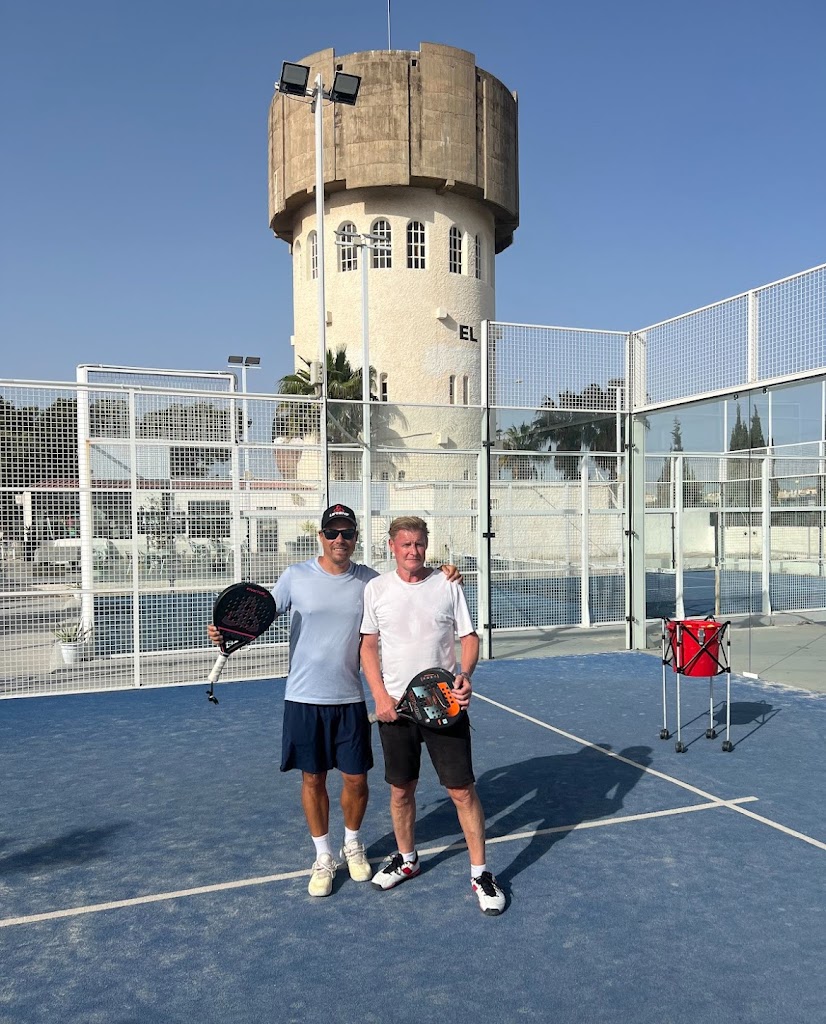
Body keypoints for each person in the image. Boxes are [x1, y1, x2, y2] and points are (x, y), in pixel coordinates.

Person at [207, 503, 461, 899]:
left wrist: (443, 572)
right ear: (321, 537)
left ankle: (353, 844)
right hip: (303, 698)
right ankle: (323, 855)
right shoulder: (295, 577)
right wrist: (227, 633)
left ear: (355, 538)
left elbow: (409, 581)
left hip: (349, 699)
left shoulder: (370, 582)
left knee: (356, 780)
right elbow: (255, 617)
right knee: (313, 779)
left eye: (347, 533)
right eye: (332, 532)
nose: (339, 539)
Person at [360, 516, 506, 916]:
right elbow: (368, 646)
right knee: (401, 791)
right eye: (405, 544)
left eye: (419, 544)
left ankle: (481, 874)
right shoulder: (376, 589)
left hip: (444, 706)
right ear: (391, 546)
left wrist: (465, 675)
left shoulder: (447, 583)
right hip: (396, 711)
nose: (413, 551)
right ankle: (407, 859)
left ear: (426, 545)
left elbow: (469, 638)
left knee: (462, 792)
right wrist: (380, 696)